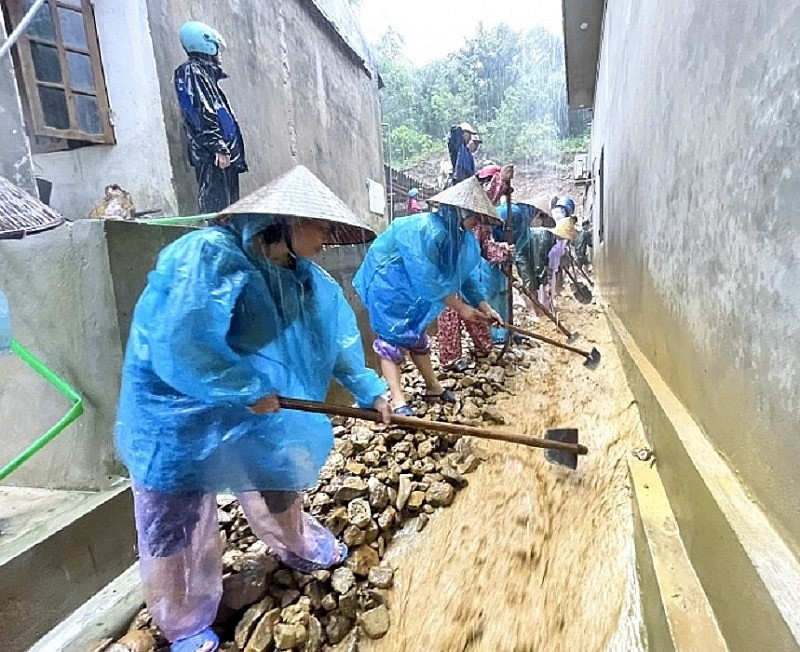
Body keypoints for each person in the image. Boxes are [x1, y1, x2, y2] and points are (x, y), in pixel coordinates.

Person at [115, 165, 390, 652]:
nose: (326, 237)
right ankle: (181, 616)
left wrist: (371, 390)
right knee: (174, 505)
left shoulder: (304, 279)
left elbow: (338, 341)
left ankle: (294, 542)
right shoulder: (206, 258)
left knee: (277, 465)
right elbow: (183, 342)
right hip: (175, 407)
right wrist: (242, 387)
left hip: (251, 401)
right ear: (284, 221)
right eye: (319, 226)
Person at [353, 176, 503, 415]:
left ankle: (432, 386)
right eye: (474, 216)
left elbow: (464, 275)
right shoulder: (426, 229)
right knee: (391, 336)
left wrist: (484, 306)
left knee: (416, 331)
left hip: (415, 288)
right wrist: (460, 307)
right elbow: (426, 274)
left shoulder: (463, 240)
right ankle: (398, 399)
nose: (477, 222)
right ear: (458, 211)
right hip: (390, 282)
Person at [174, 21, 247, 214]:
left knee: (229, 210)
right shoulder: (192, 72)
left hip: (222, 153)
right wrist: (217, 146)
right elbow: (201, 111)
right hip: (213, 154)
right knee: (217, 210)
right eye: (217, 48)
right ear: (207, 45)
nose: (219, 53)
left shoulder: (203, 76)